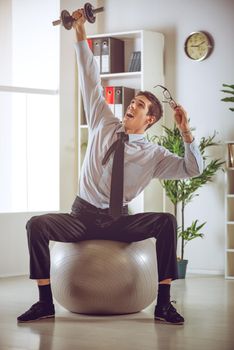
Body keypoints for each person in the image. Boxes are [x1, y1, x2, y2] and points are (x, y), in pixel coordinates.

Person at [17, 9, 203, 325]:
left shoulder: (154, 155)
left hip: (119, 222)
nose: (131, 106)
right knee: (36, 224)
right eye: (132, 102)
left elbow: (192, 168)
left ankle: (164, 305)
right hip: (82, 216)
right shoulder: (104, 122)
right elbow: (90, 74)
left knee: (166, 221)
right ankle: (45, 302)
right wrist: (78, 30)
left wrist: (186, 131)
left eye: (140, 106)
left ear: (151, 119)